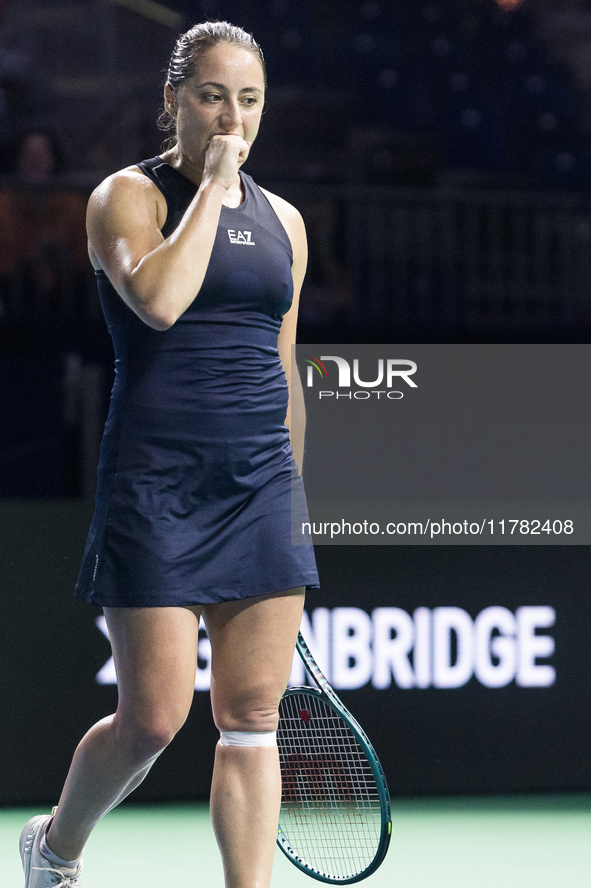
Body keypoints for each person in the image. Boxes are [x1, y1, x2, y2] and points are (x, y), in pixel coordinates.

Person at [19, 20, 319, 888]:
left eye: (250, 100)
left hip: (259, 482)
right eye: (213, 96)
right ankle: (57, 846)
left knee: (252, 717)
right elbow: (157, 300)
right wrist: (214, 191)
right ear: (173, 101)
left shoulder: (287, 225)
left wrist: (294, 496)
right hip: (156, 479)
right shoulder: (126, 198)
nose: (234, 118)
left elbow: (284, 366)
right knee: (151, 720)